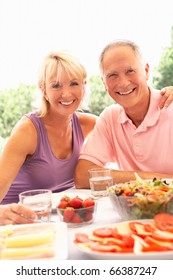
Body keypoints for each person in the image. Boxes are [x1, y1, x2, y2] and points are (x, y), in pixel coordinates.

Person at [0, 51, 97, 225]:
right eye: (56, 85)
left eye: (74, 83)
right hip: (17, 222)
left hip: (54, 219)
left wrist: (161, 97)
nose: (66, 94)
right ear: (43, 89)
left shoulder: (89, 124)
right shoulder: (28, 131)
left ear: (84, 86)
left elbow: (127, 124)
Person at [75, 39, 173, 189]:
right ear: (104, 83)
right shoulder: (110, 118)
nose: (123, 83)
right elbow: (82, 176)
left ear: (146, 71)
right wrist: (158, 180)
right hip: (137, 209)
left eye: (130, 71)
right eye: (113, 75)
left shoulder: (170, 106)